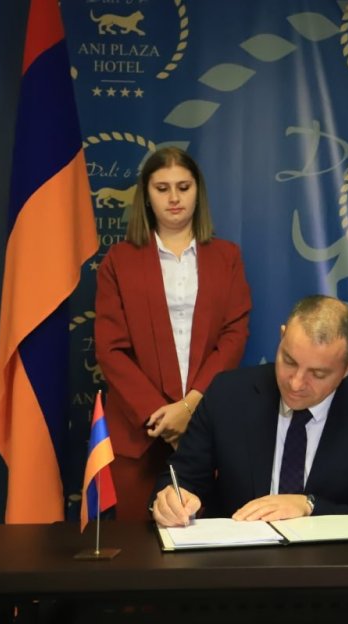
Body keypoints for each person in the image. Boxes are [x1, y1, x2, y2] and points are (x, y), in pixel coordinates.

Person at [95, 147, 252, 521]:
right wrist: (162, 418)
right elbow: (110, 348)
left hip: (207, 423)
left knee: (209, 537)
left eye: (183, 187)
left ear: (198, 191)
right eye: (162, 188)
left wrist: (190, 407)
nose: (174, 198)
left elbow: (234, 334)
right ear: (146, 195)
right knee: (135, 540)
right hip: (139, 432)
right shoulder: (119, 260)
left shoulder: (227, 256)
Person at [152, 295, 348, 526]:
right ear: (282, 336)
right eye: (289, 361)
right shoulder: (228, 394)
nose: (296, 383)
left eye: (318, 374)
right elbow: (182, 477)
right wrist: (171, 500)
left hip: (330, 559)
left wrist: (310, 506)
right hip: (237, 556)